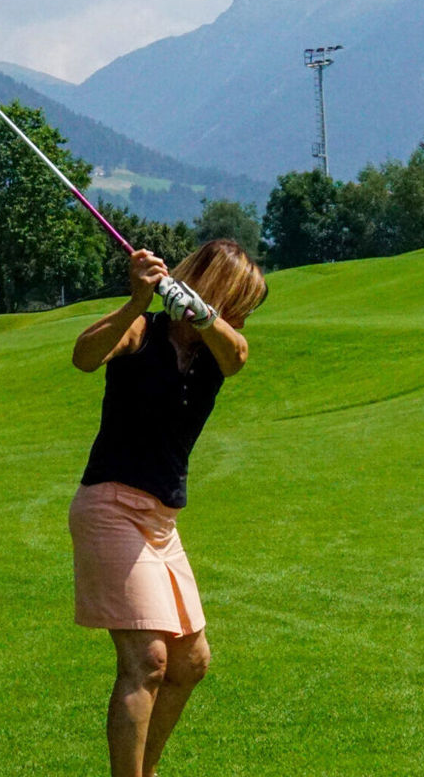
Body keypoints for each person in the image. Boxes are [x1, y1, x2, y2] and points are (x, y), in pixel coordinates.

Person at [68, 240, 266, 777]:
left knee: (191, 661)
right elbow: (84, 357)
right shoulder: (142, 331)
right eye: (241, 303)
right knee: (148, 660)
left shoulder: (217, 351)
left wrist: (202, 314)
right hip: (110, 507)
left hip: (161, 523)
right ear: (220, 288)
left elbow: (238, 354)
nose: (244, 317)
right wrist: (137, 299)